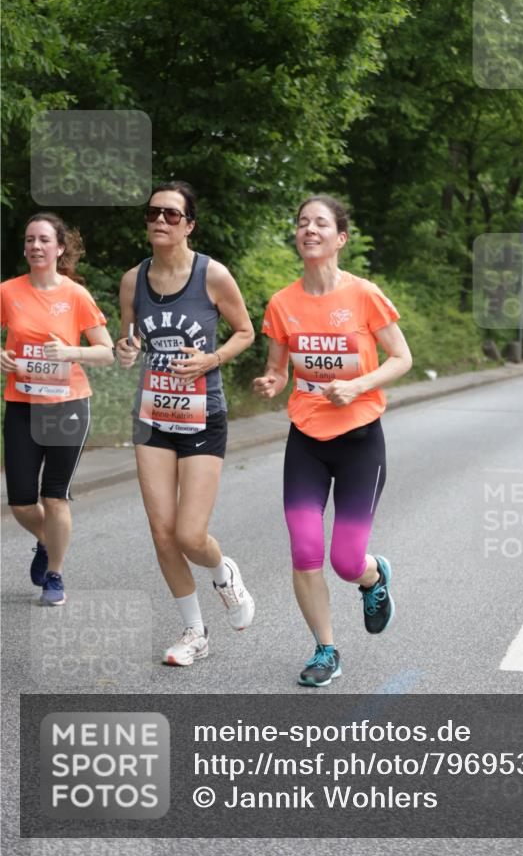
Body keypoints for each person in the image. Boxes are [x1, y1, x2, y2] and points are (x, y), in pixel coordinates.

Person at [253, 195, 412, 687]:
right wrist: (270, 382)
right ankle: (325, 650)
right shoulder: (283, 304)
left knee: (345, 561)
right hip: (306, 440)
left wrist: (359, 385)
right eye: (302, 222)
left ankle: (372, 577)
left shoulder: (364, 294)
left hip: (361, 438)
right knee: (304, 548)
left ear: (340, 238)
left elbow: (401, 357)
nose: (309, 229)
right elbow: (278, 370)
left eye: (321, 223)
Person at [116, 181, 256, 666]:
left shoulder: (212, 275)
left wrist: (211, 359)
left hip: (202, 415)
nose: (160, 220)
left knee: (190, 536)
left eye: (172, 215)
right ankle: (194, 632)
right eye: (154, 213)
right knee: (161, 531)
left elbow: (246, 331)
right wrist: (125, 349)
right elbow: (127, 342)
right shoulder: (133, 280)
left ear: (189, 225)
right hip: (152, 414)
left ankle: (223, 575)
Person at [1, 213, 114, 605]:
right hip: (21, 406)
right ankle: (48, 542)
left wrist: (70, 351)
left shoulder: (75, 295)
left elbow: (106, 351)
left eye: (44, 240)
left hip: (67, 407)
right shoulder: (8, 291)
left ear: (59, 248)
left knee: (54, 497)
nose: (35, 246)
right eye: (30, 240)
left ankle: (55, 575)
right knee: (19, 501)